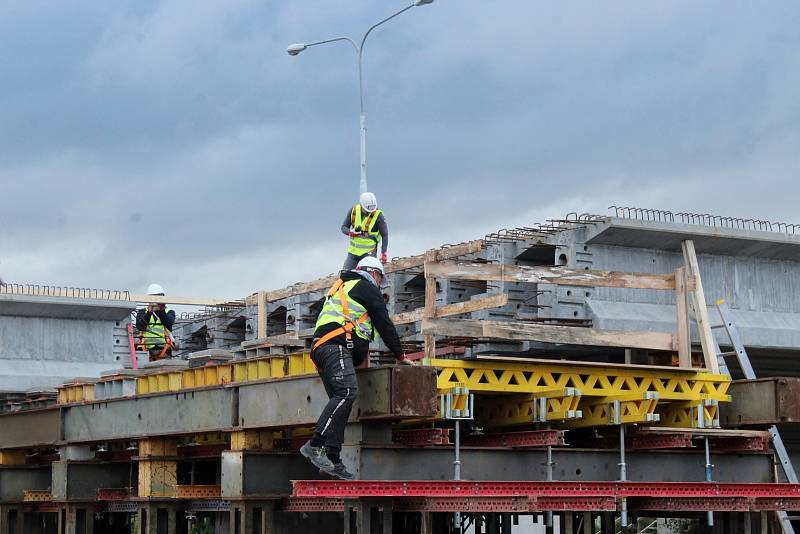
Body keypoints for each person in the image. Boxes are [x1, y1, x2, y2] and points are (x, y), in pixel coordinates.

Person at [300, 256, 409, 480]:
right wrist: (400, 355)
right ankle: (315, 444)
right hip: (335, 347)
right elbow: (384, 323)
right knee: (347, 392)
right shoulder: (366, 287)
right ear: (375, 275)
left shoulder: (340, 288)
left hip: (323, 349)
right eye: (380, 280)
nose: (379, 286)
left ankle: (333, 458)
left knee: (342, 403)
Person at [341, 192, 389, 270]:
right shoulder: (354, 211)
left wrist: (383, 252)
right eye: (367, 210)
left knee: (367, 277)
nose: (370, 212)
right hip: (353, 253)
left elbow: (385, 235)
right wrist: (350, 232)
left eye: (372, 210)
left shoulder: (379, 216)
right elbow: (343, 227)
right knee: (346, 275)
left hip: (369, 253)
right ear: (361, 205)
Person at [135, 283, 176, 360]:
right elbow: (140, 326)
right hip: (146, 350)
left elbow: (168, 323)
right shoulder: (142, 312)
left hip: (164, 349)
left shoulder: (169, 312)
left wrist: (161, 310)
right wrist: (149, 313)